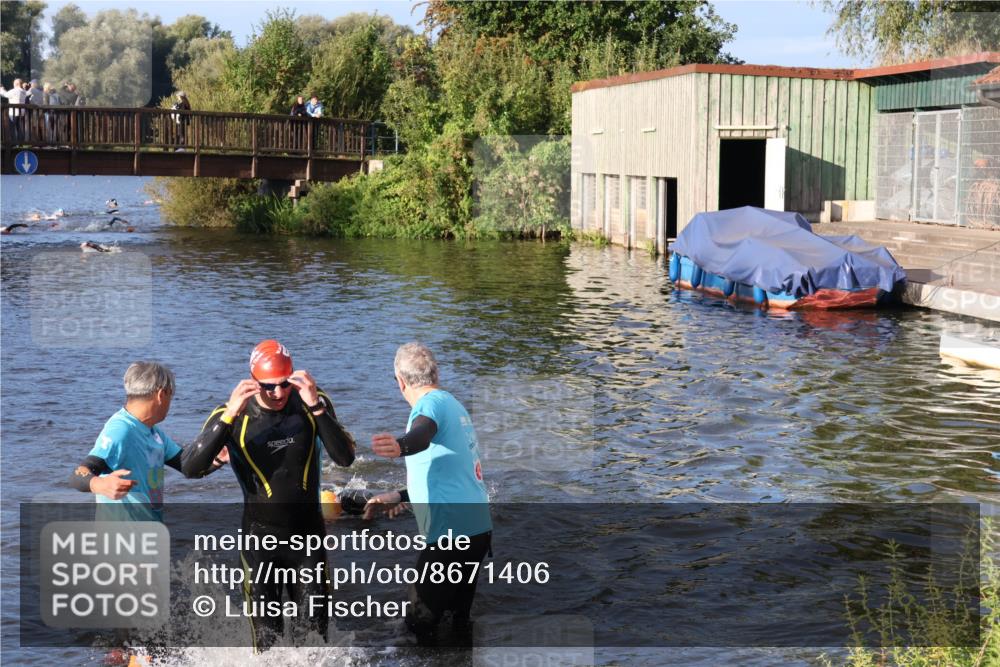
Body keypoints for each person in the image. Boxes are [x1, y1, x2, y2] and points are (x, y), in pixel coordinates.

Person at [182, 339, 356, 652]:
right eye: (268, 386)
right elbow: (191, 468)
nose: (277, 393)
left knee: (315, 641)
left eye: (284, 384)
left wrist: (316, 405)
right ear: (253, 381)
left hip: (308, 540)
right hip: (259, 542)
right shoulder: (232, 415)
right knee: (267, 644)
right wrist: (229, 416)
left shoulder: (311, 403)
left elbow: (345, 458)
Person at [364, 342, 492, 643]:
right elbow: (449, 474)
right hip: (475, 530)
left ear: (400, 381)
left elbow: (422, 432)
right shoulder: (453, 404)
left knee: (418, 625)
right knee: (456, 622)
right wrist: (399, 496)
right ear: (437, 372)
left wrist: (400, 446)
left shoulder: (429, 406)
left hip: (451, 533)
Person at [68, 362, 226, 521]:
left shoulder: (154, 432)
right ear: (161, 395)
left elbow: (187, 466)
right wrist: (100, 485)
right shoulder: (121, 429)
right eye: (171, 395)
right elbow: (78, 475)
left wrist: (219, 459)